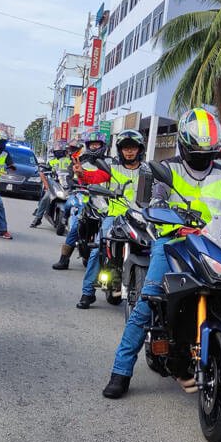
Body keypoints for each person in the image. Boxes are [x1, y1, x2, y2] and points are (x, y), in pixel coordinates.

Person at [103, 109, 221, 398]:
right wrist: (163, 211)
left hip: (212, 243)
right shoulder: (168, 169)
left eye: (207, 152)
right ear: (184, 145)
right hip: (172, 241)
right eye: (197, 151)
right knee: (148, 302)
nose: (202, 157)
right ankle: (120, 372)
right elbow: (155, 199)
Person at [77, 130, 150, 309]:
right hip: (116, 216)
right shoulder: (112, 167)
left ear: (140, 149)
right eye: (125, 148)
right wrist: (81, 174)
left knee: (156, 249)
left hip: (142, 218)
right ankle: (87, 292)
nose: (129, 151)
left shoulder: (148, 170)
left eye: (133, 148)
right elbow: (94, 177)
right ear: (120, 150)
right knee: (98, 248)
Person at [52, 132, 111, 270]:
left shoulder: (111, 163)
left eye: (97, 144)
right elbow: (70, 176)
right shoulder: (81, 161)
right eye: (92, 144)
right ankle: (64, 259)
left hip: (106, 202)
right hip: (86, 200)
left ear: (103, 146)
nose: (94, 147)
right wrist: (73, 184)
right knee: (76, 226)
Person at [31, 143, 71, 229]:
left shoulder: (70, 161)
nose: (59, 153)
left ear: (65, 152)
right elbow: (42, 172)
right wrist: (46, 185)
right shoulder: (51, 162)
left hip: (68, 185)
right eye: (57, 151)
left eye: (61, 151)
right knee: (46, 198)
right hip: (55, 184)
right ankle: (38, 218)